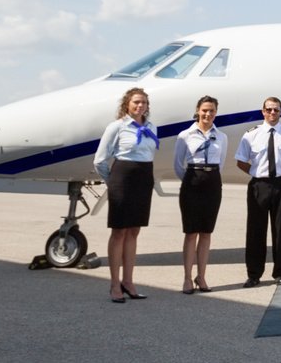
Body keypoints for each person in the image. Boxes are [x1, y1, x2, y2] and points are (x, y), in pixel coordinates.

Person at [94, 87, 160, 304]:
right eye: (135, 103)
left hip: (143, 178)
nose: (140, 106)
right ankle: (114, 284)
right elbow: (100, 160)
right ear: (127, 105)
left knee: (134, 231)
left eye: (143, 103)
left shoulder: (151, 127)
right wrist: (112, 181)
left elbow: (149, 154)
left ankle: (128, 281)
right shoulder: (117, 127)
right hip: (122, 179)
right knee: (119, 232)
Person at [235, 96, 281, 287]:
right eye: (269, 109)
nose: (272, 113)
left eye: (276, 110)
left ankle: (280, 273)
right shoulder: (251, 135)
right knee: (256, 231)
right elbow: (241, 161)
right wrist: (257, 174)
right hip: (259, 186)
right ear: (263, 111)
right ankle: (254, 275)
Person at [173, 95, 226, 294]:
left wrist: (207, 176)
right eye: (204, 110)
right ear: (198, 110)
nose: (208, 114)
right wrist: (191, 180)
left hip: (212, 182)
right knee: (191, 232)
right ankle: (187, 278)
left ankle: (201, 276)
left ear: (216, 113)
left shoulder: (221, 137)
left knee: (206, 232)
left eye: (211, 110)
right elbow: (178, 164)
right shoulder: (185, 135)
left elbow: (220, 162)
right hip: (192, 182)